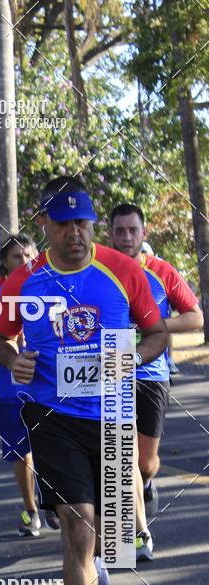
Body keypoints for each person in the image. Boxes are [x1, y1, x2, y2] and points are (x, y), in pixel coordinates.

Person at [0, 176, 167, 585]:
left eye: (83, 223)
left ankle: (99, 564)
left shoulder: (124, 270)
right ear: (43, 225)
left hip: (111, 411)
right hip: (52, 417)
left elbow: (156, 334)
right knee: (77, 527)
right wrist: (10, 356)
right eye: (63, 225)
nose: (75, 235)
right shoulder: (25, 280)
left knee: (110, 535)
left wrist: (128, 359)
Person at [110, 203, 203, 560]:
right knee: (124, 455)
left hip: (152, 373)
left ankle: (146, 483)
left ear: (143, 234)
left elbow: (194, 318)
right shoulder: (98, 271)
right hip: (114, 370)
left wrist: (152, 329)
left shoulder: (162, 272)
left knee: (146, 462)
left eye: (133, 231)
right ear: (111, 235)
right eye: (120, 231)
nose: (127, 238)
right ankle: (138, 533)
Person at [0, 236, 56, 537]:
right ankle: (31, 509)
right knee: (22, 454)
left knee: (53, 448)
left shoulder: (49, 284)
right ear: (4, 262)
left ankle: (54, 502)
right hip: (9, 390)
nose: (24, 262)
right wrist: (10, 346)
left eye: (28, 256)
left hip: (48, 387)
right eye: (16, 257)